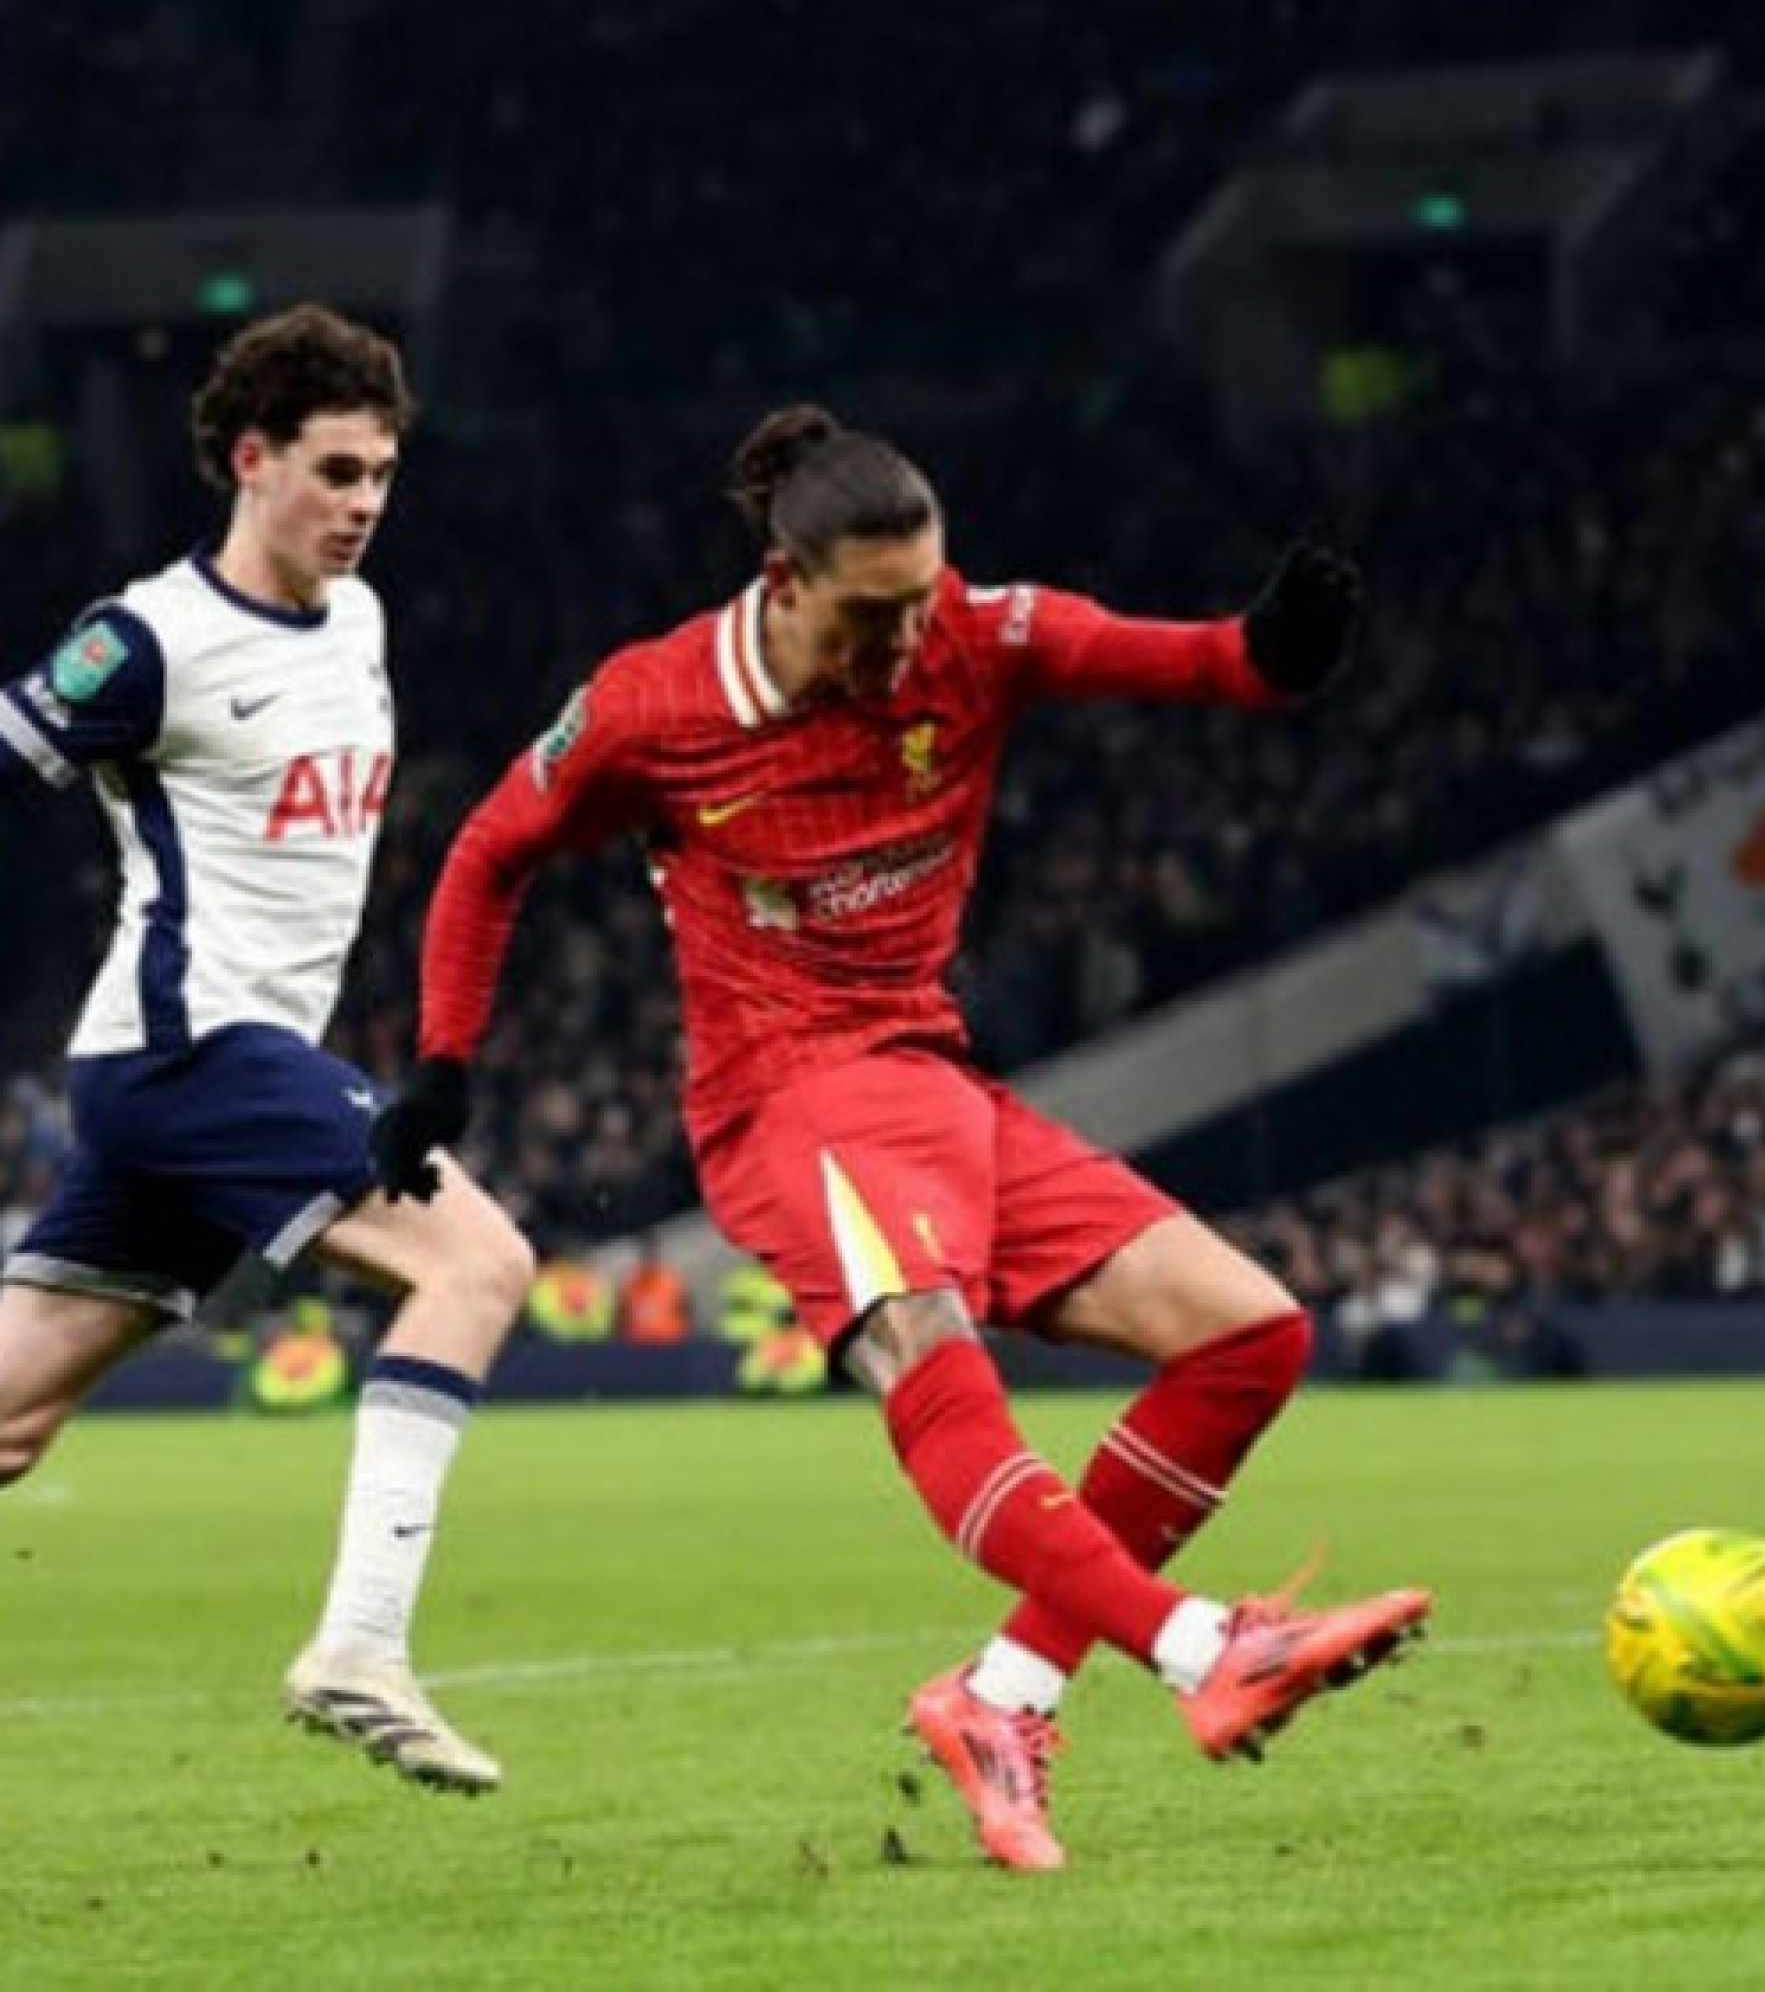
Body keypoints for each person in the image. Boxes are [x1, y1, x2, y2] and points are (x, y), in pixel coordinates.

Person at [371, 405, 1431, 1867]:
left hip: (940, 1086)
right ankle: (1202, 1653)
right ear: (785, 580)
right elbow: (489, 853)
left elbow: (1196, 660)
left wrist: (1279, 650)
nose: (900, 646)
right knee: (938, 1363)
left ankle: (1003, 1695)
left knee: (1251, 1337)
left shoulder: (973, 639)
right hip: (792, 1097)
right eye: (871, 615)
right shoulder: (653, 706)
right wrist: (442, 1060)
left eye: (919, 604)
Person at [0, 305, 533, 1795]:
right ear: (251, 460)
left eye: (383, 477)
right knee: (478, 1264)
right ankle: (360, 1646)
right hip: (190, 1055)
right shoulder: (147, 641)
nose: (366, 504)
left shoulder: (355, 620)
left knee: (14, 1420)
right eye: (338, 471)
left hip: (200, 1072)